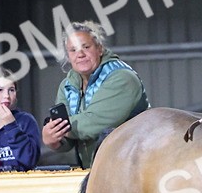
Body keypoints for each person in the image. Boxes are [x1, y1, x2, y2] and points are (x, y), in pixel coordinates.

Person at [41, 21, 149, 168]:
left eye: (86, 47)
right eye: (73, 50)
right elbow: (69, 141)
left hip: (131, 169)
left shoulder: (122, 78)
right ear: (68, 56)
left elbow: (92, 125)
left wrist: (62, 128)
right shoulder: (67, 86)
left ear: (99, 49)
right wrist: (53, 139)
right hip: (94, 173)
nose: (80, 54)